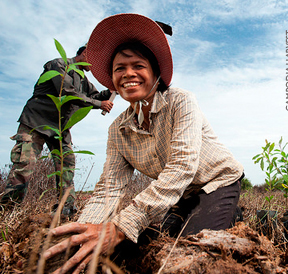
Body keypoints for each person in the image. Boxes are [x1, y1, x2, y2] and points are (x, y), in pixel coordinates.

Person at [43, 13, 244, 273]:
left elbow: (182, 167)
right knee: (151, 241)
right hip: (181, 195)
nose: (128, 74)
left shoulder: (181, 102)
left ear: (155, 73)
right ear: (113, 80)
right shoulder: (118, 130)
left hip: (217, 181)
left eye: (138, 66)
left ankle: (235, 215)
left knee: (190, 252)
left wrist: (118, 227)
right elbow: (108, 188)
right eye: (119, 69)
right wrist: (83, 234)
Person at [1, 44, 114, 213]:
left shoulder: (83, 80)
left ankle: (66, 209)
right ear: (85, 54)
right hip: (35, 122)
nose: (95, 67)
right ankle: (6, 211)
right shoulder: (58, 65)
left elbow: (94, 97)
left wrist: (113, 89)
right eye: (94, 62)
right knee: (24, 166)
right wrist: (100, 104)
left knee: (66, 164)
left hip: (60, 128)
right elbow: (68, 93)